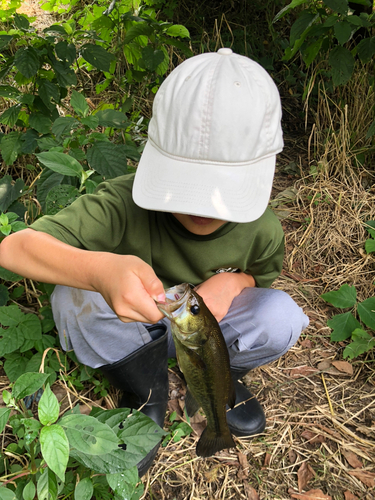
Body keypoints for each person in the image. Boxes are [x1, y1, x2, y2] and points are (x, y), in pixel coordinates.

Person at [0, 48, 309, 476]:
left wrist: (238, 281)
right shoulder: (122, 203)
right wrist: (100, 271)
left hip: (204, 334)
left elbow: (262, 276)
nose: (202, 205)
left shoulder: (261, 228)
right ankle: (147, 389)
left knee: (283, 316)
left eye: (220, 190)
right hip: (132, 329)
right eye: (187, 186)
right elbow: (14, 247)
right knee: (73, 296)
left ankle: (218, 379)